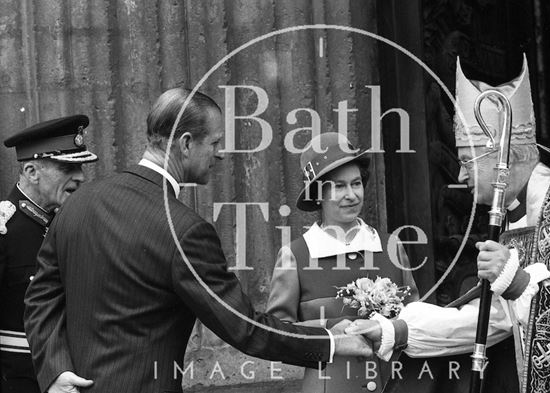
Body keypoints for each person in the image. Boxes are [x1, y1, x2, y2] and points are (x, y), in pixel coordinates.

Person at [23, 88, 372, 393]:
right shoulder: (185, 230)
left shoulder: (80, 201)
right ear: (186, 143)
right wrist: (333, 342)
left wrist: (54, 371)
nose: (220, 154)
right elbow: (245, 327)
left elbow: (40, 295)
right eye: (215, 143)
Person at [348, 55, 550, 392]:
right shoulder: (513, 220)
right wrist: (396, 330)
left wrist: (520, 284)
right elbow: (496, 319)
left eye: (465, 161)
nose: (460, 175)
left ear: (500, 157)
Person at [266, 132, 419, 393]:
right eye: (339, 186)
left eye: (356, 183)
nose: (352, 194)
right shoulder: (296, 256)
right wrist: (329, 330)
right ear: (318, 194)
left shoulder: (392, 246)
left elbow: (416, 319)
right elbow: (275, 337)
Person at [0, 115, 97, 393]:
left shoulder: (69, 223)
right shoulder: (5, 231)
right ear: (31, 172)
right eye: (67, 166)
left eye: (80, 165)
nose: (80, 176)